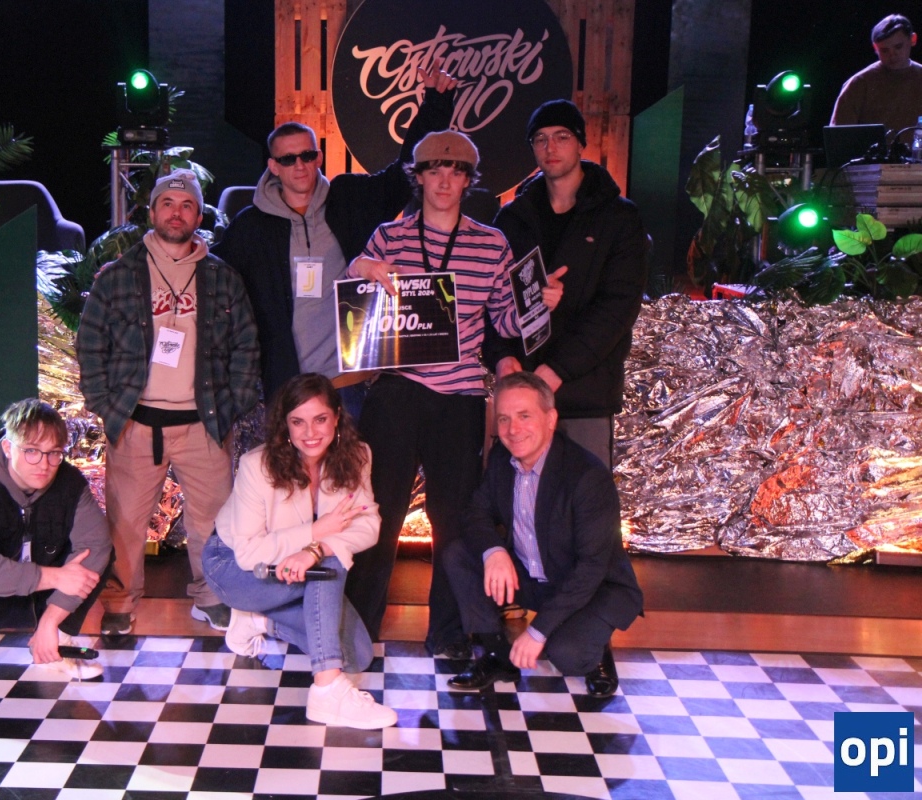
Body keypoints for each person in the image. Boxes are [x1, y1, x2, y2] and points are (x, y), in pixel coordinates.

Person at [342, 130, 558, 658]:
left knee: (455, 520)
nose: (444, 181)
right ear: (417, 178)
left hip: (460, 397)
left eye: (456, 172)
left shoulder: (492, 243)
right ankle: (357, 630)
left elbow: (504, 320)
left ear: (468, 180)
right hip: (397, 390)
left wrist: (541, 304)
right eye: (434, 171)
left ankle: (450, 633)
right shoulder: (390, 235)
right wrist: (361, 267)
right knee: (376, 514)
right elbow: (353, 300)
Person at [77, 169, 261, 636]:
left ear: (199, 216)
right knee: (125, 524)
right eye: (168, 203)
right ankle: (120, 602)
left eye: (187, 205)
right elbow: (91, 344)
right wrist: (105, 404)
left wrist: (233, 405)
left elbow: (246, 345)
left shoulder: (222, 278)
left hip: (204, 423)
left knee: (212, 523)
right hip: (136, 424)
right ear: (153, 211)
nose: (176, 213)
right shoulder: (119, 276)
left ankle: (211, 597)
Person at [213, 62, 456, 410]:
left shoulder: (348, 200)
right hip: (287, 385)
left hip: (348, 382)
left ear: (319, 157)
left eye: (307, 155)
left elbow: (401, 177)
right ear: (273, 166)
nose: (300, 165)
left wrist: (435, 103)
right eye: (289, 159)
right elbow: (211, 274)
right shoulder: (252, 226)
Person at [202, 373, 395, 729]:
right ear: (285, 425)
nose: (310, 432)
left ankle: (257, 621)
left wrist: (314, 549)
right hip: (234, 569)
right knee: (330, 566)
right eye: (298, 422)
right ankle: (327, 690)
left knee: (358, 654)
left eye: (320, 419)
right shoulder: (257, 466)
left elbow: (369, 525)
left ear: (337, 417)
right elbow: (248, 552)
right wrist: (317, 533)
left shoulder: (357, 456)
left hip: (301, 570)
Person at [444, 372, 643, 696]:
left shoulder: (586, 476)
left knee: (567, 654)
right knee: (459, 554)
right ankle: (497, 656)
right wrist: (494, 551)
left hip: (591, 587)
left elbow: (591, 569)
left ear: (550, 420)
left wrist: (536, 632)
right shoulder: (502, 459)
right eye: (504, 418)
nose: (512, 429)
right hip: (535, 577)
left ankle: (596, 649)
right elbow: (475, 513)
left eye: (524, 416)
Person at [484, 99, 647, 469]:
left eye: (561, 137)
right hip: (522, 395)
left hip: (584, 395)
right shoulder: (512, 219)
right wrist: (502, 358)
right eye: (540, 139)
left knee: (585, 499)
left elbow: (617, 308)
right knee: (518, 499)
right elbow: (490, 299)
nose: (550, 147)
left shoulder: (619, 218)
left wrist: (556, 371)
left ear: (580, 143)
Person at [0, 399, 112, 693]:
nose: (44, 464)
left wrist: (51, 622)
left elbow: (96, 546)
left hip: (43, 599)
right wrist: (55, 577)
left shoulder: (71, 484)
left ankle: (56, 642)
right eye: (31, 451)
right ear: (7, 448)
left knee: (96, 558)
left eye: (54, 453)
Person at [831, 14, 922, 135]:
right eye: (884, 50)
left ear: (913, 39)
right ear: (875, 48)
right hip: (871, 148)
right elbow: (839, 135)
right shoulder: (860, 83)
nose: (892, 55)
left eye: (898, 47)